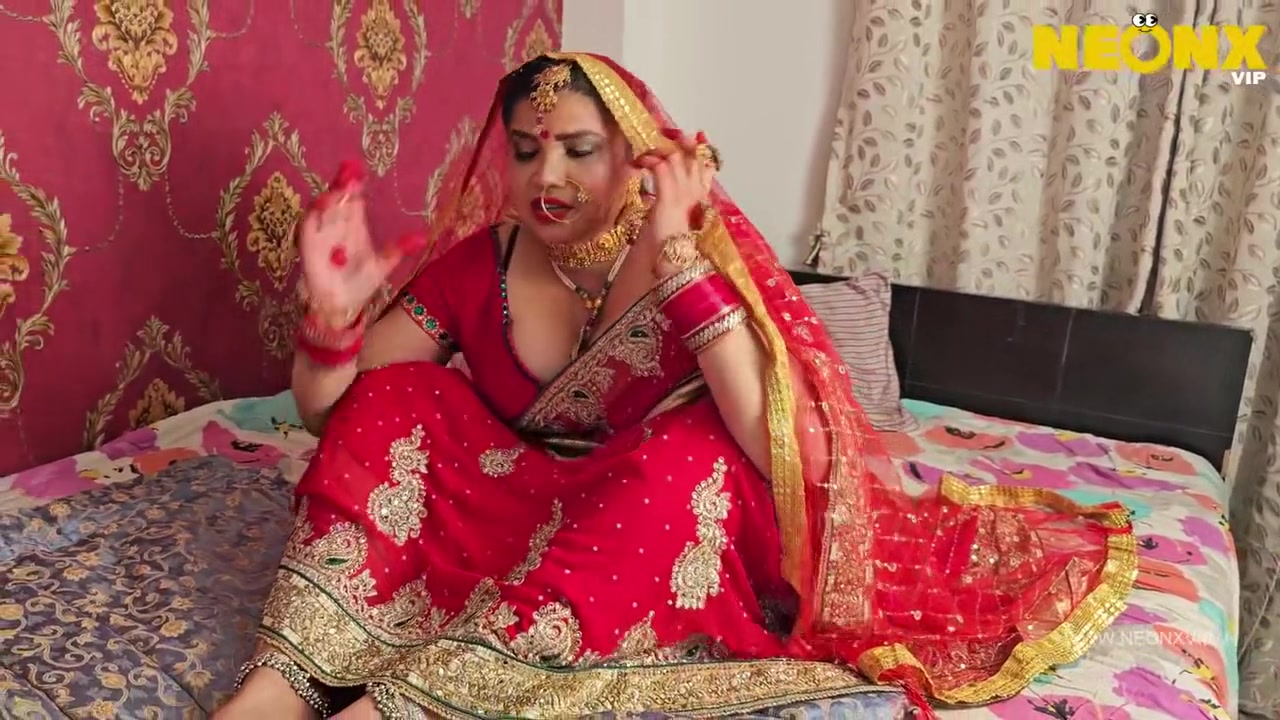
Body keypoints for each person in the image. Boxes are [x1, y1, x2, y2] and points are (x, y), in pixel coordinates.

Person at [215, 52, 1136, 720]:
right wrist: (332, 318)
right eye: (526, 151)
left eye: (579, 149)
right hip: (522, 507)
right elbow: (336, 416)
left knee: (688, 452)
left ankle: (426, 696)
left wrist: (680, 260)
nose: (547, 178)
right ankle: (280, 686)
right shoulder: (484, 263)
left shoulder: (695, 249)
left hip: (644, 518)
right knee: (399, 396)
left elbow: (783, 451)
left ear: (636, 151)